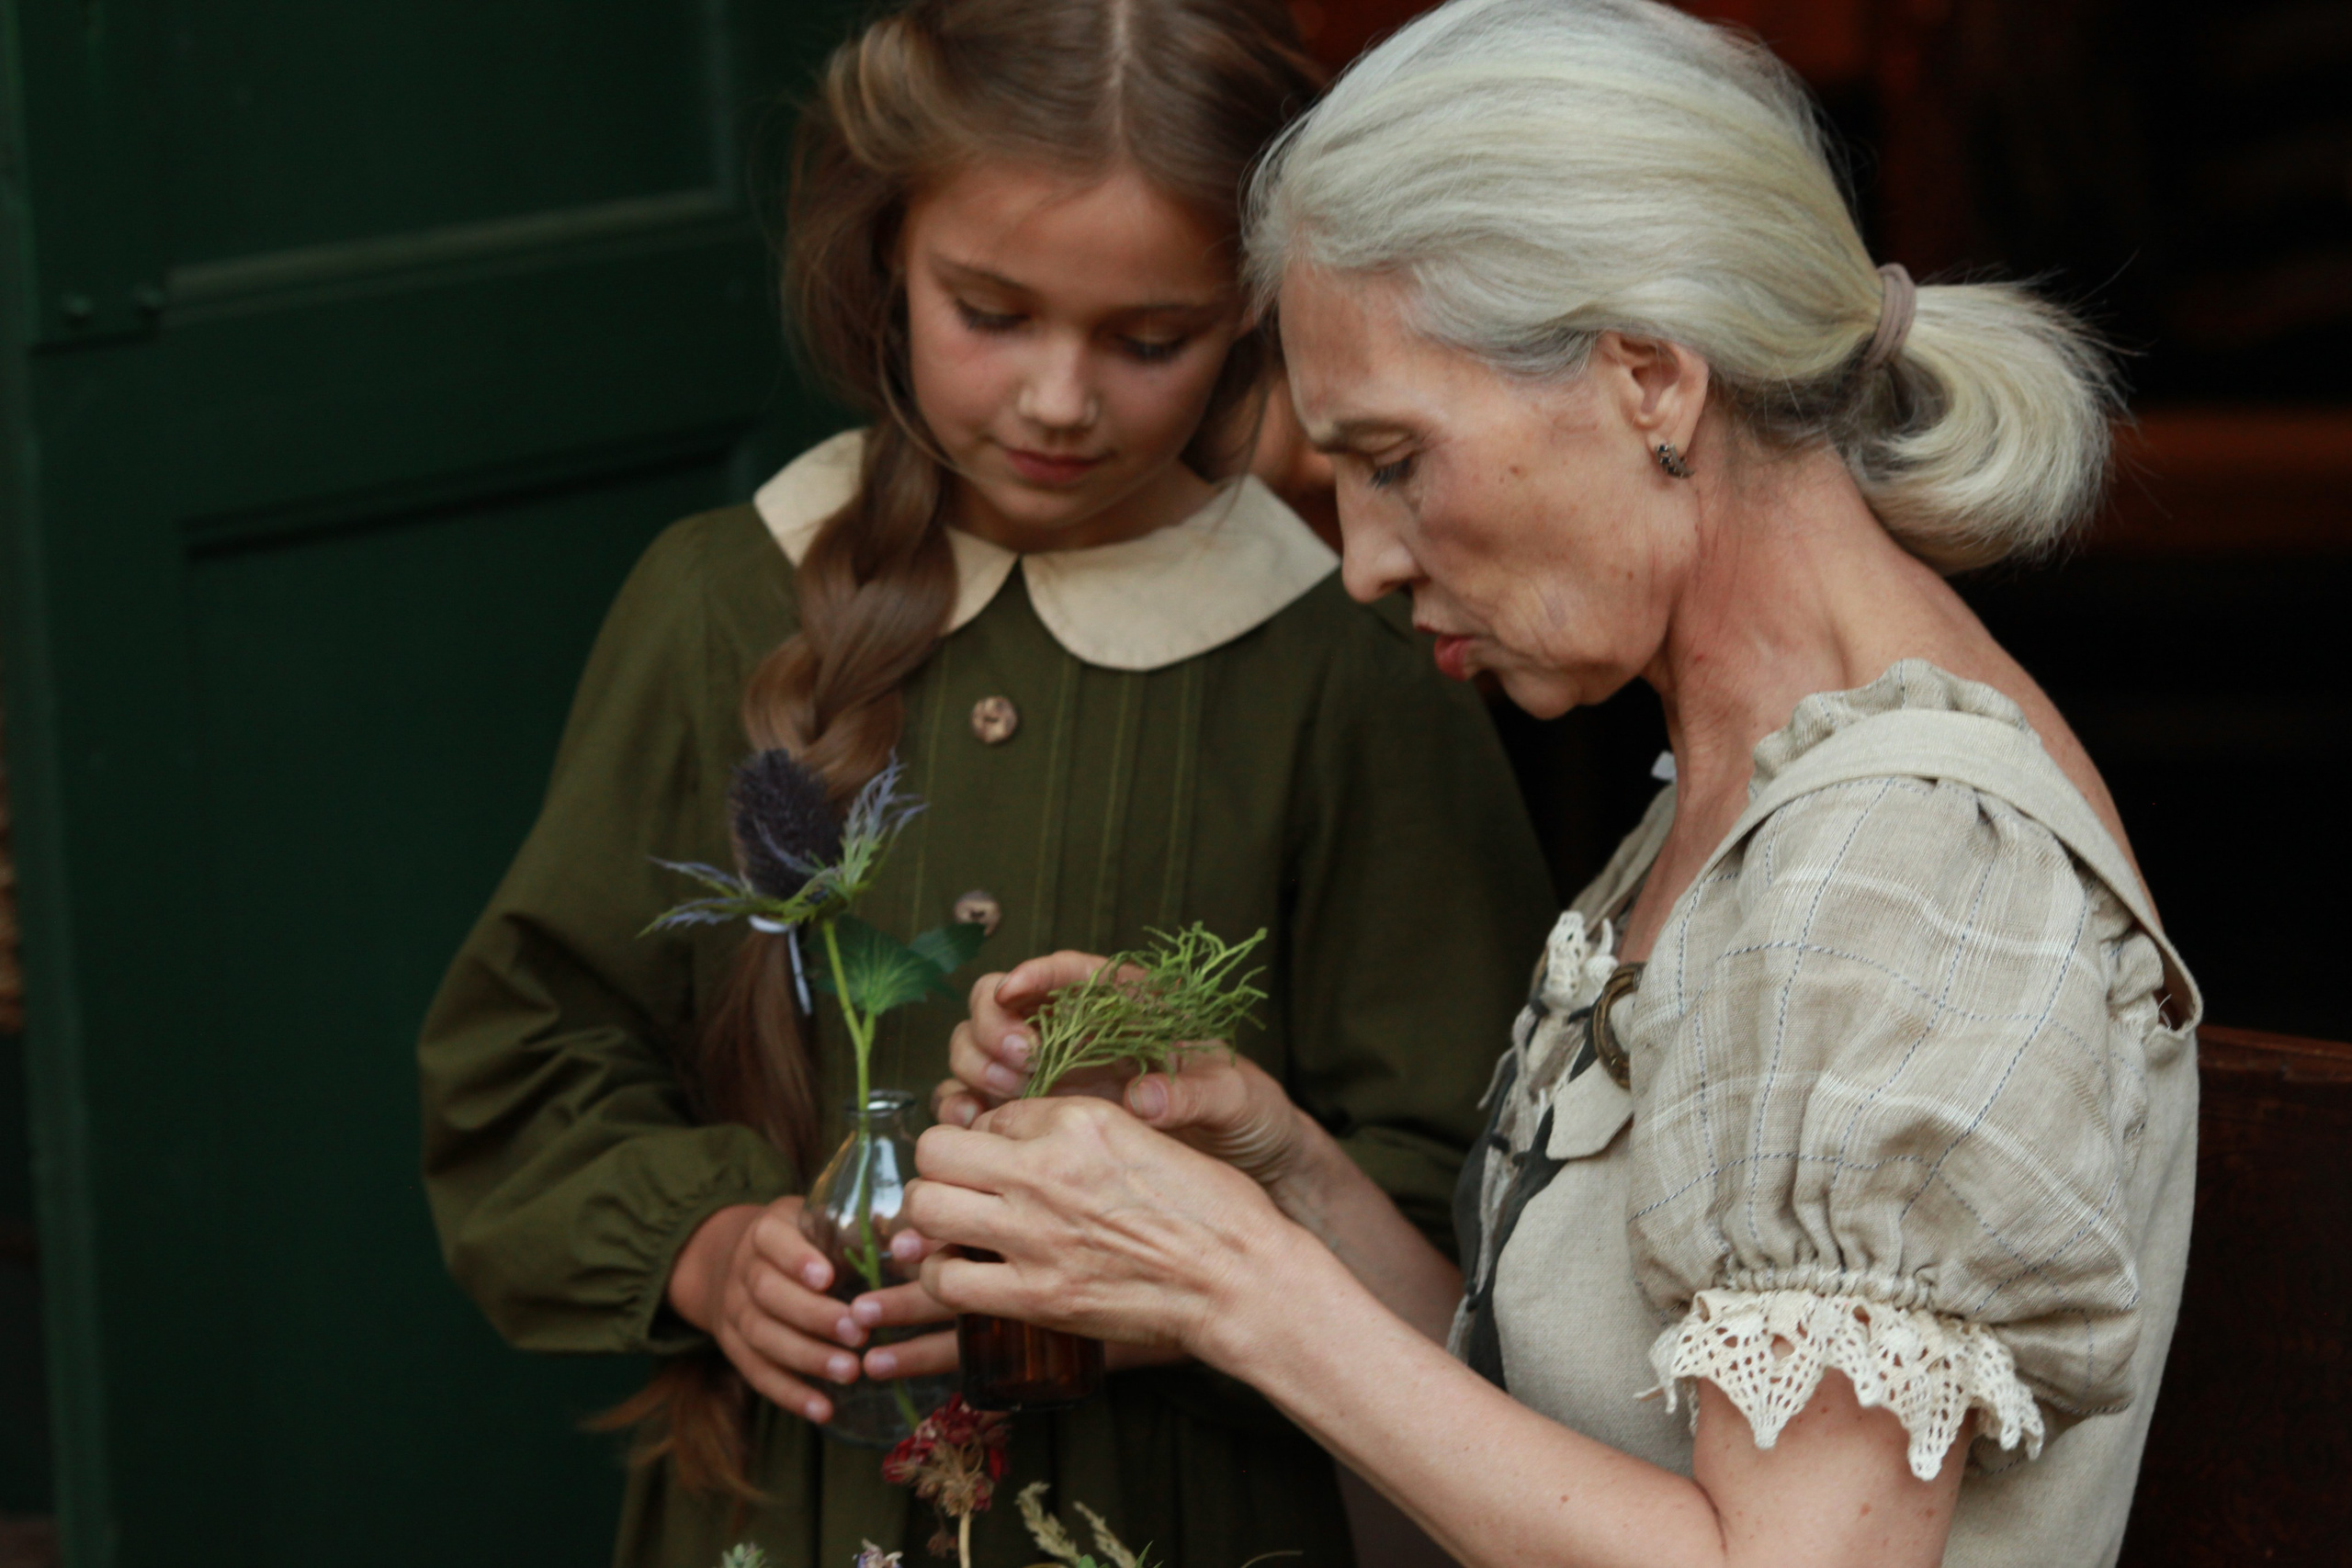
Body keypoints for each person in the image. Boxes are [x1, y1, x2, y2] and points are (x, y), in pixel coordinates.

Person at [908, 3, 2204, 1565]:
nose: (1367, 560)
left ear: (1649, 379)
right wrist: (1288, 1183)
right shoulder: (1749, 786)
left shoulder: (1906, 860)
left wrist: (1235, 1286)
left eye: (1394, 459)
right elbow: (1578, 1441)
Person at [414, 1, 1556, 1564]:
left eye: (1149, 340)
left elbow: (1460, 1183)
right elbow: (527, 1057)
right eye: (992, 312)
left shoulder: (1347, 665)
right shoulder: (716, 604)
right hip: (780, 1510)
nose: (1060, 400)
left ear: (1256, 310)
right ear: (885, 252)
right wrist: (706, 1247)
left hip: (1178, 1515)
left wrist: (1159, 1295)